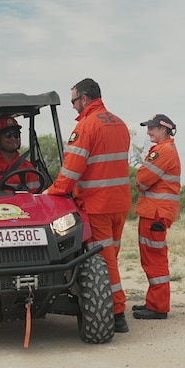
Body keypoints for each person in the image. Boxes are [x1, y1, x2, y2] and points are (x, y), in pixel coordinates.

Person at [44, 78, 132, 333]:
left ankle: (116, 313)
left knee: (104, 262)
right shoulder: (119, 123)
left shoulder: (86, 126)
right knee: (111, 256)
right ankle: (109, 302)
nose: (73, 107)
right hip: (120, 203)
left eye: (73, 101)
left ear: (84, 99)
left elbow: (71, 171)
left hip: (98, 205)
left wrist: (52, 193)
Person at [133, 114, 181, 320]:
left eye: (152, 128)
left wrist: (141, 175)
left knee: (155, 259)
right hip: (155, 213)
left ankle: (158, 307)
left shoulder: (163, 151)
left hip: (156, 214)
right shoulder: (165, 150)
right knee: (152, 258)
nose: (148, 131)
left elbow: (142, 180)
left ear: (164, 129)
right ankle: (154, 302)